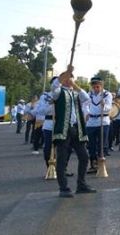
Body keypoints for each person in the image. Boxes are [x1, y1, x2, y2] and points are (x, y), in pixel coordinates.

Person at [51, 66, 96, 198]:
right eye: (67, 78)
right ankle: (63, 187)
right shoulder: (58, 92)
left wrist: (74, 84)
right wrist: (64, 74)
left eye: (71, 77)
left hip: (77, 128)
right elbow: (54, 86)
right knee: (62, 159)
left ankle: (81, 184)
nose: (69, 80)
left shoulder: (76, 93)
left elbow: (87, 98)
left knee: (84, 156)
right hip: (63, 129)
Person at [84, 77, 112, 173]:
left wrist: (104, 106)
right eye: (94, 86)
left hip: (103, 121)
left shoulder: (107, 95)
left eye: (97, 86)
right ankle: (93, 164)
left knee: (101, 144)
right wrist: (87, 113)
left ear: (101, 85)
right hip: (91, 122)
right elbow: (85, 105)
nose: (96, 88)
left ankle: (101, 164)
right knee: (91, 144)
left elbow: (109, 108)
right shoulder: (89, 95)